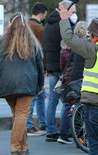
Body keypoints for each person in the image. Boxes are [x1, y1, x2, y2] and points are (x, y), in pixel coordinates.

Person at [0, 13, 44, 155]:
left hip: (7, 84)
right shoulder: (31, 41)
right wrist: (40, 85)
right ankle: (15, 148)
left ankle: (23, 147)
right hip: (27, 83)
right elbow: (39, 64)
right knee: (22, 116)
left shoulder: (3, 41)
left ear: (9, 25)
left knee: (17, 116)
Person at [56, 2, 98, 154]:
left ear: (93, 35)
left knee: (94, 143)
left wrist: (64, 19)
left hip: (93, 103)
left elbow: (68, 38)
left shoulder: (92, 49)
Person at [44, 0, 77, 142]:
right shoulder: (64, 24)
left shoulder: (48, 24)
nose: (75, 15)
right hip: (64, 67)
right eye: (73, 12)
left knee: (52, 99)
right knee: (66, 101)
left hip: (52, 67)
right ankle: (67, 132)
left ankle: (50, 131)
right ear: (65, 10)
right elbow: (69, 44)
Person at [57, 21, 87, 145]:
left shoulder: (66, 46)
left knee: (69, 106)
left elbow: (62, 66)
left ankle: (64, 134)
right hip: (79, 79)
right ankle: (80, 137)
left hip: (68, 80)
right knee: (82, 107)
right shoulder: (83, 46)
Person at [26, 2, 48, 136]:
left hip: (26, 65)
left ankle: (43, 123)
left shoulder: (25, 25)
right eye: (44, 15)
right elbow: (42, 50)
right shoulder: (39, 29)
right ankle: (30, 126)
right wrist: (45, 67)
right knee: (35, 96)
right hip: (35, 66)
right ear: (41, 14)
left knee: (40, 95)